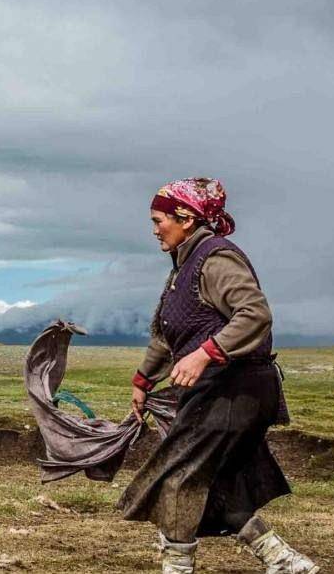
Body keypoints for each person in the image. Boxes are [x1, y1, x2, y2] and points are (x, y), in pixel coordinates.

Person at [118, 178, 318, 574]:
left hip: (235, 388)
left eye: (159, 220)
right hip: (221, 391)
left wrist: (206, 354)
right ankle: (283, 561)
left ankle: (177, 567)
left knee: (178, 476)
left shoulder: (215, 260)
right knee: (218, 483)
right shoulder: (183, 266)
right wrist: (143, 380)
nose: (154, 229)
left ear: (186, 218)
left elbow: (255, 314)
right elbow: (167, 333)